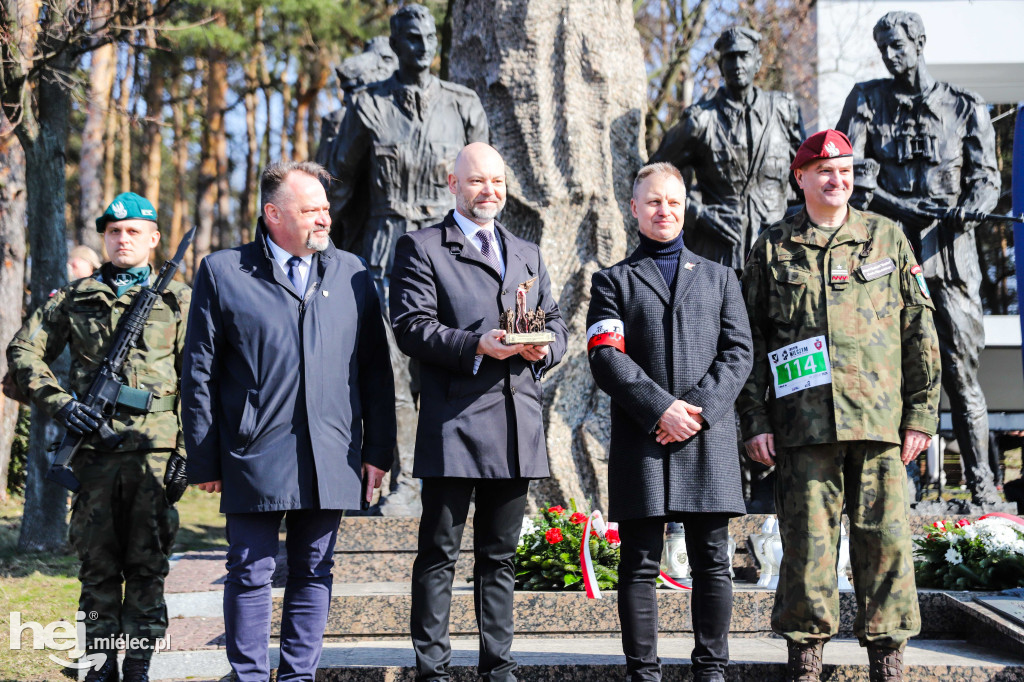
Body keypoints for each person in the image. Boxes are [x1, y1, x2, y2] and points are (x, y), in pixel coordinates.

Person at [738, 130, 941, 682]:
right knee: (806, 550)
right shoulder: (773, 247)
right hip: (804, 427)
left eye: (845, 170)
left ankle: (888, 663)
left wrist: (922, 415)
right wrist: (754, 420)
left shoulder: (886, 238)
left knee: (886, 546)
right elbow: (749, 341)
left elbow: (919, 328)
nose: (837, 180)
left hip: (879, 424)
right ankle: (805, 662)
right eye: (824, 170)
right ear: (800, 177)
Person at [181, 161, 396, 681]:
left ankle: (299, 676)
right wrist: (205, 457)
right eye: (310, 210)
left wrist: (377, 453)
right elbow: (198, 372)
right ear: (273, 214)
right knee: (250, 571)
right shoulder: (223, 271)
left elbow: (375, 371)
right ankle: (250, 676)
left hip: (332, 452)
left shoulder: (353, 273)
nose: (323, 219)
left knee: (315, 570)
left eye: (325, 209)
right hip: (254, 452)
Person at [389, 142, 567, 682]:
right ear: (452, 184)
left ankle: (499, 664)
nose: (489, 191)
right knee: (439, 553)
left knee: (500, 556)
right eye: (477, 181)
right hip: (455, 424)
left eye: (497, 181)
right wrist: (476, 345)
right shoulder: (420, 248)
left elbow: (555, 322)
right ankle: (434, 668)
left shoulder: (527, 251)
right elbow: (410, 326)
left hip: (517, 426)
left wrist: (545, 349)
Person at [7, 192, 190, 682]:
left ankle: (138, 666)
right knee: (98, 568)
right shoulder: (73, 297)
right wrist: (61, 403)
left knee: (148, 568)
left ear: (154, 239)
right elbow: (23, 353)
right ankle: (99, 663)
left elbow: (201, 379)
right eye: (113, 231)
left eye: (133, 231)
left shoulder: (181, 300)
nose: (122, 239)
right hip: (95, 456)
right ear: (103, 239)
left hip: (155, 455)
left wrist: (189, 452)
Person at [586, 162, 752, 682]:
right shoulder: (611, 281)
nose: (664, 210)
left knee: (712, 561)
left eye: (674, 202)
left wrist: (694, 410)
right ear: (634, 209)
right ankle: (644, 672)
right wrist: (661, 409)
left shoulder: (722, 277)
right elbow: (605, 356)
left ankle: (711, 669)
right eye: (653, 201)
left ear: (686, 208)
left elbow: (739, 353)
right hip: (644, 438)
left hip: (709, 439)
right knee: (638, 563)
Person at [326, 4, 489, 514]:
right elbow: (339, 188)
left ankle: (458, 478)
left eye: (426, 38)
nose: (421, 48)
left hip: (451, 254)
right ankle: (409, 485)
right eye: (410, 40)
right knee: (395, 373)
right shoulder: (367, 107)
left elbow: (485, 185)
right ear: (395, 44)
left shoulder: (463, 105)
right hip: (384, 250)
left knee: (454, 364)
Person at [836, 10, 1001, 505]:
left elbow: (987, 178)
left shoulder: (965, 106)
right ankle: (894, 490)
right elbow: (852, 175)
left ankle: (983, 486)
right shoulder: (866, 100)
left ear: (920, 43)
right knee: (885, 370)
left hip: (950, 258)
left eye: (899, 45)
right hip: (885, 258)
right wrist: (901, 206)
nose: (890, 55)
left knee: (960, 373)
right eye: (884, 46)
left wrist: (972, 208)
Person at [650, 26, 804, 272]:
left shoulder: (784, 111)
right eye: (729, 57)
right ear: (721, 66)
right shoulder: (700, 122)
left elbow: (805, 179)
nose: (737, 64)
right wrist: (699, 215)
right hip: (721, 258)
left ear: (758, 62)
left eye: (743, 55)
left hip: (779, 254)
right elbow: (651, 179)